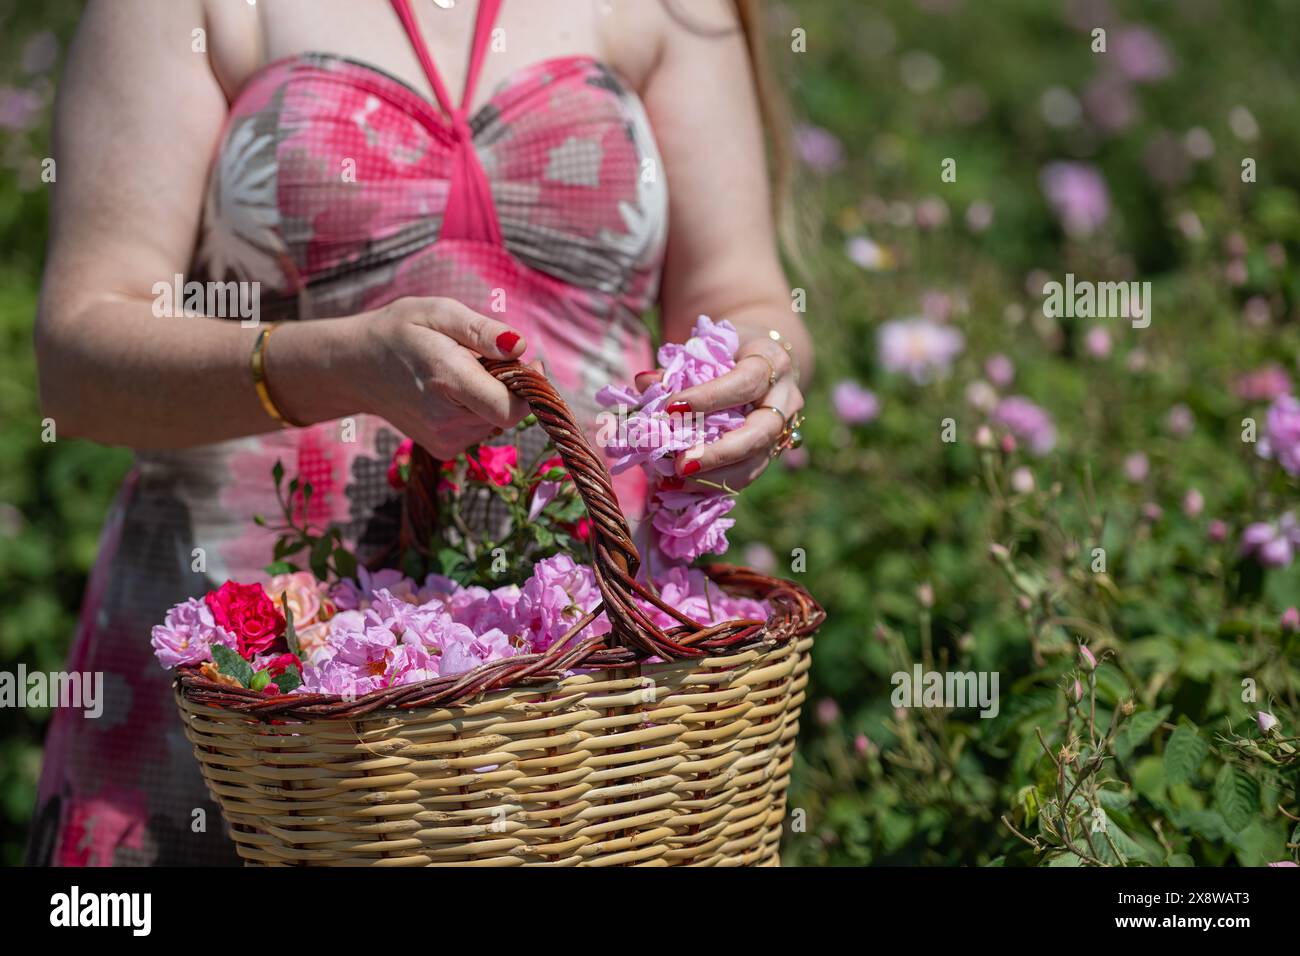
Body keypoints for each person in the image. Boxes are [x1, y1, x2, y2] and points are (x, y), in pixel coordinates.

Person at [29, 0, 812, 865]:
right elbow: (79, 362)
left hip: (589, 719)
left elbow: (742, 291)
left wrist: (763, 368)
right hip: (245, 700)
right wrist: (334, 364)